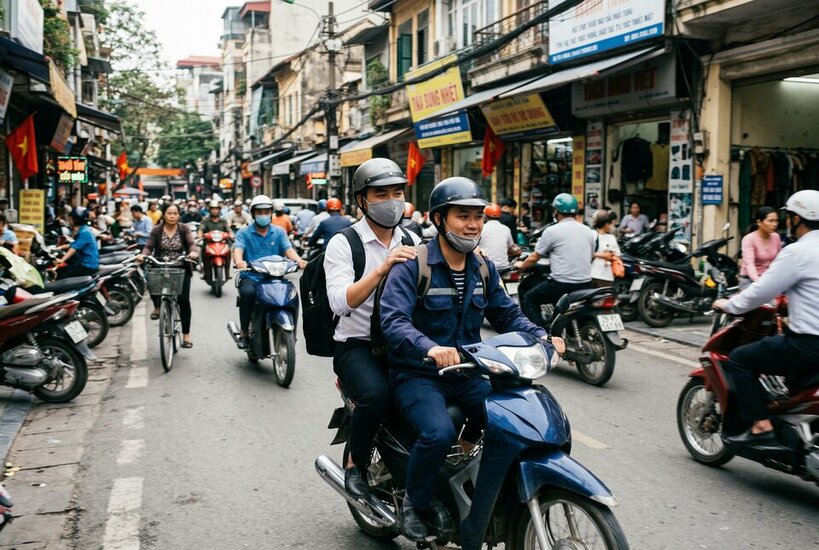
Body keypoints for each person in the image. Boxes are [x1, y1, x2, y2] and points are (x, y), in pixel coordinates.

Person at [379, 177, 564, 541]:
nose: (473, 225)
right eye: (462, 216)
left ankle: (480, 484)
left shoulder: (482, 268)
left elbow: (506, 313)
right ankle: (415, 504)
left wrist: (542, 336)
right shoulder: (413, 265)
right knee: (438, 433)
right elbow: (394, 320)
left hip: (468, 371)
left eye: (478, 217)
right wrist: (429, 347)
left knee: (511, 420)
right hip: (419, 374)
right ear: (439, 219)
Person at [323, 158, 421, 500]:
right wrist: (382, 270)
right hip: (356, 345)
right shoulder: (344, 243)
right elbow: (340, 302)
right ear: (362, 200)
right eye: (381, 194)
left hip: (401, 342)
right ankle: (356, 464)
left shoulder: (412, 237)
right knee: (377, 395)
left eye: (397, 193)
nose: (392, 201)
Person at [713, 190, 819, 445]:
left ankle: (761, 424)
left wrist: (730, 306)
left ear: (797, 218)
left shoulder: (797, 251)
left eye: (788, 217)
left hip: (808, 344)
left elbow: (762, 290)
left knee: (740, 359)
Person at [233, 195, 306, 348]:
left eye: (266, 212)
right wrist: (239, 261)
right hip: (251, 277)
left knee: (291, 295)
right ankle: (244, 332)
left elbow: (288, 250)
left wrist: (299, 260)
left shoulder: (279, 232)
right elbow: (238, 249)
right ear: (253, 214)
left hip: (275, 277)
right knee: (247, 293)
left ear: (271, 213)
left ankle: (292, 333)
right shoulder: (244, 232)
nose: (263, 215)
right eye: (259, 212)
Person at [514, 193, 595, 326]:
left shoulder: (552, 231)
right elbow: (590, 256)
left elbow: (534, 257)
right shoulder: (588, 231)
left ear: (556, 211)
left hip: (561, 284)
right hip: (585, 283)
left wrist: (522, 265)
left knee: (529, 298)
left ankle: (540, 334)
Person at [138, 203, 198, 347]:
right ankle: (158, 306)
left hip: (181, 267)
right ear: (163, 215)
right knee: (151, 281)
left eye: (175, 213)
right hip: (161, 265)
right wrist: (143, 255)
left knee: (183, 300)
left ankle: (186, 335)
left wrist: (193, 252)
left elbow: (191, 243)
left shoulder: (184, 229)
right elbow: (148, 246)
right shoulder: (156, 230)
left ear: (179, 215)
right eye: (169, 213)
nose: (172, 216)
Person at [739, 206, 782, 290]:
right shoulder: (749, 239)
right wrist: (760, 283)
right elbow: (749, 264)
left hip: (768, 279)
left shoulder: (776, 237)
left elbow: (779, 260)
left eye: (776, 221)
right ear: (759, 222)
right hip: (749, 280)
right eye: (770, 221)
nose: (774, 224)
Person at [57, 209, 99, 279]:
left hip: (87, 266)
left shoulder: (84, 232)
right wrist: (61, 247)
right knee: (61, 271)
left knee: (62, 276)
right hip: (85, 263)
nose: (69, 221)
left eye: (70, 219)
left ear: (75, 220)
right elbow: (76, 244)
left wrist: (61, 260)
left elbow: (74, 249)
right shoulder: (84, 229)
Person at [198, 200, 232, 283]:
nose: (214, 211)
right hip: (208, 243)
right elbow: (201, 229)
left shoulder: (223, 221)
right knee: (202, 251)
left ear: (219, 210)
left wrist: (231, 235)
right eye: (212, 209)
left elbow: (228, 229)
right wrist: (199, 236)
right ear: (209, 210)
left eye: (216, 209)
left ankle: (228, 272)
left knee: (229, 252)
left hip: (222, 243)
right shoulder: (205, 220)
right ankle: (204, 271)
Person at [479, 203, 517, 270]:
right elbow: (512, 247)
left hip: (486, 267)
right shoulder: (506, 229)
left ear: (485, 215)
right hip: (504, 267)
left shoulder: (481, 228)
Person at [590, 210, 621, 287]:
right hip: (592, 274)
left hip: (606, 276)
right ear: (606, 224)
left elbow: (617, 255)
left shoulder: (611, 238)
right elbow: (587, 253)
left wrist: (596, 254)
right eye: (609, 224)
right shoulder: (592, 235)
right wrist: (605, 255)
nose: (610, 226)